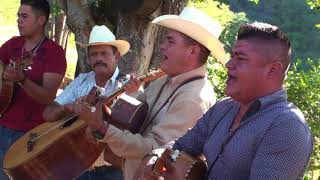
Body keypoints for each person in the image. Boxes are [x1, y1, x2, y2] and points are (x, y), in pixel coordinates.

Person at [136, 22, 314, 180]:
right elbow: (181, 145)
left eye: (240, 58)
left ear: (272, 70)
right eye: (232, 55)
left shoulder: (287, 128)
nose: (229, 64)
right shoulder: (224, 107)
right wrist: (155, 157)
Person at [75, 7, 227, 180]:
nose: (162, 46)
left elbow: (154, 152)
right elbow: (136, 121)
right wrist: (103, 112)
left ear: (192, 51)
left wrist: (102, 128)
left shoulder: (194, 98)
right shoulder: (165, 80)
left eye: (170, 41)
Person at [43, 25, 130, 180]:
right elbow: (48, 113)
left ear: (116, 56)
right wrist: (68, 108)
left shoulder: (128, 86)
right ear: (88, 59)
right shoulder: (82, 80)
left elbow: (133, 132)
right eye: (94, 54)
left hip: (111, 171)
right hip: (74, 168)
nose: (99, 59)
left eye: (104, 53)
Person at [0, 0, 67, 179]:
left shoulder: (54, 52)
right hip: (3, 122)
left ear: (41, 20)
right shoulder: (13, 44)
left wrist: (22, 79)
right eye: (17, 16)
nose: (18, 20)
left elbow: (48, 97)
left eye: (24, 16)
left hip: (30, 134)